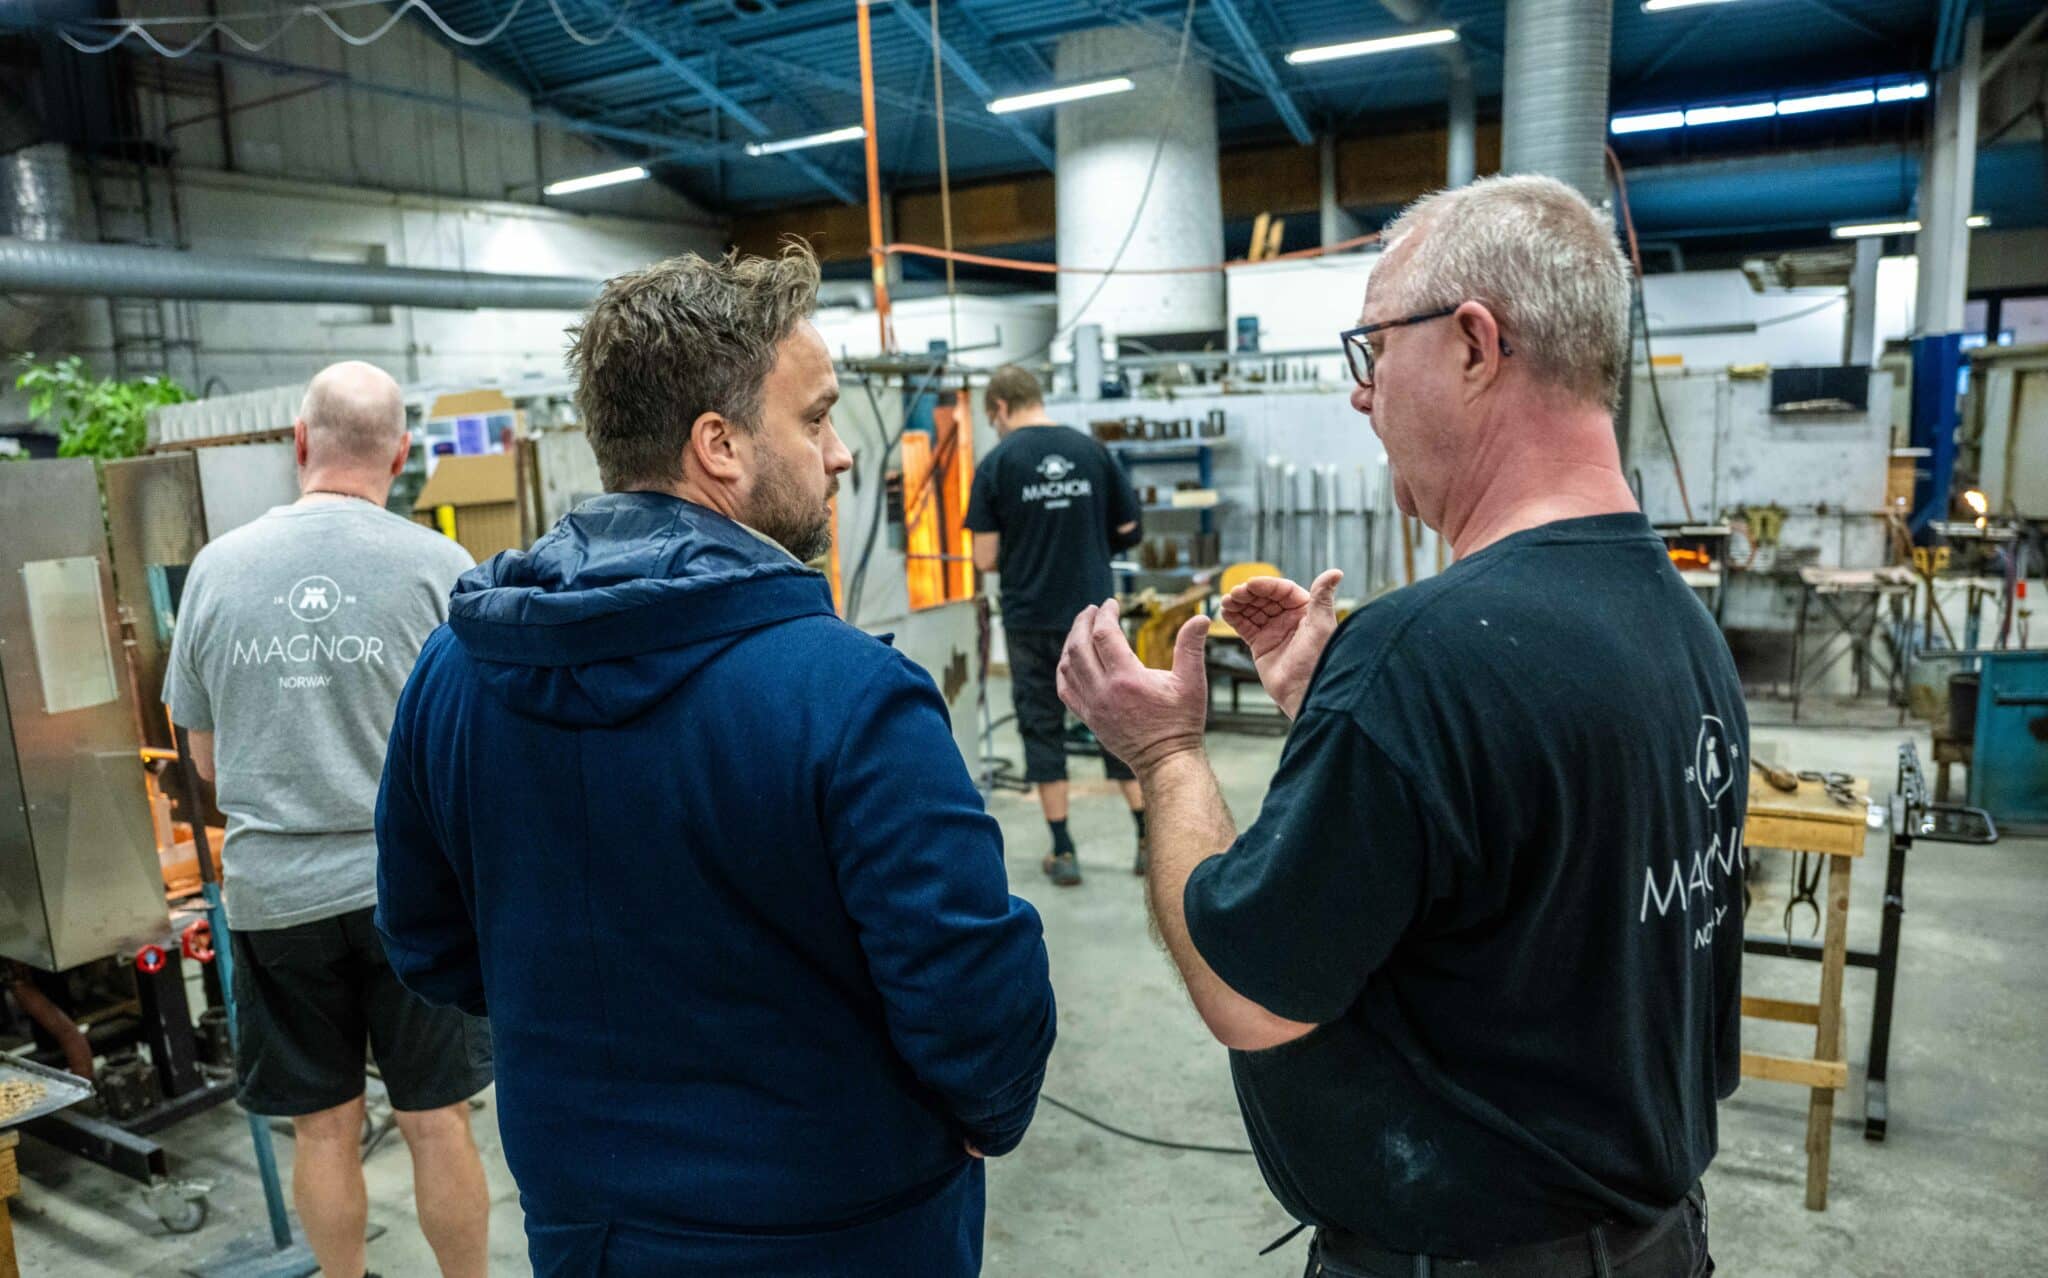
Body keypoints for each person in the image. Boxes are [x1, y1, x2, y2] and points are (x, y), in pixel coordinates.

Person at [1056, 175, 1743, 1277]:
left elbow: (1250, 997)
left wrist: (1166, 752)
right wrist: (1338, 719)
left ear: (1474, 344)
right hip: (1654, 1242)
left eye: (1373, 350)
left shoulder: (1425, 656)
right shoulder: (1673, 619)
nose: (1360, 395)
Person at [375, 245, 1056, 1277]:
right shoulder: (850, 696)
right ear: (719, 446)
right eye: (816, 420)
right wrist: (985, 1109)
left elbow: (428, 943)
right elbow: (975, 1001)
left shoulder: (453, 672)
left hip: (586, 1228)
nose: (839, 455)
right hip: (843, 1233)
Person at [164, 360, 492, 1278]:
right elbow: (476, 743)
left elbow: (204, 762)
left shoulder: (217, 569)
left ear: (299, 442)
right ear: (401, 453)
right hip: (414, 893)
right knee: (437, 1119)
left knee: (322, 1127)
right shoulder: (441, 569)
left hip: (276, 900)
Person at [967, 364, 1146, 885]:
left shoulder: (996, 463)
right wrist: (1086, 538)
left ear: (1000, 408)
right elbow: (1130, 527)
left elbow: (984, 557)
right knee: (1114, 720)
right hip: (1093, 618)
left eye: (993, 418)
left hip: (1030, 619)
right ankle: (1146, 839)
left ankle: (1064, 851)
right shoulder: (1092, 452)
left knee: (1041, 726)